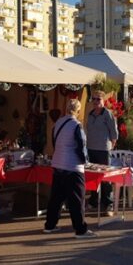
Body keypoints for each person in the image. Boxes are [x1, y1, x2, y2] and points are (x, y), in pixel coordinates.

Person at [43, 98, 97, 238]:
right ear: (78, 111)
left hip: (58, 164)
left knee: (56, 198)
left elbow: (55, 143)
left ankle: (50, 225)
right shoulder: (77, 125)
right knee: (77, 200)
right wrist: (85, 163)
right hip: (73, 166)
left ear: (66, 109)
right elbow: (81, 147)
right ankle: (80, 230)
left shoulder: (57, 123)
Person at [86, 90, 119, 212]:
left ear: (103, 101)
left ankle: (108, 203)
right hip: (91, 148)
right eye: (93, 99)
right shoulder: (90, 114)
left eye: (98, 99)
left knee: (105, 176)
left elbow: (114, 132)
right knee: (93, 176)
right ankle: (94, 201)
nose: (95, 102)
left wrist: (111, 145)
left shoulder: (108, 114)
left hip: (104, 149)